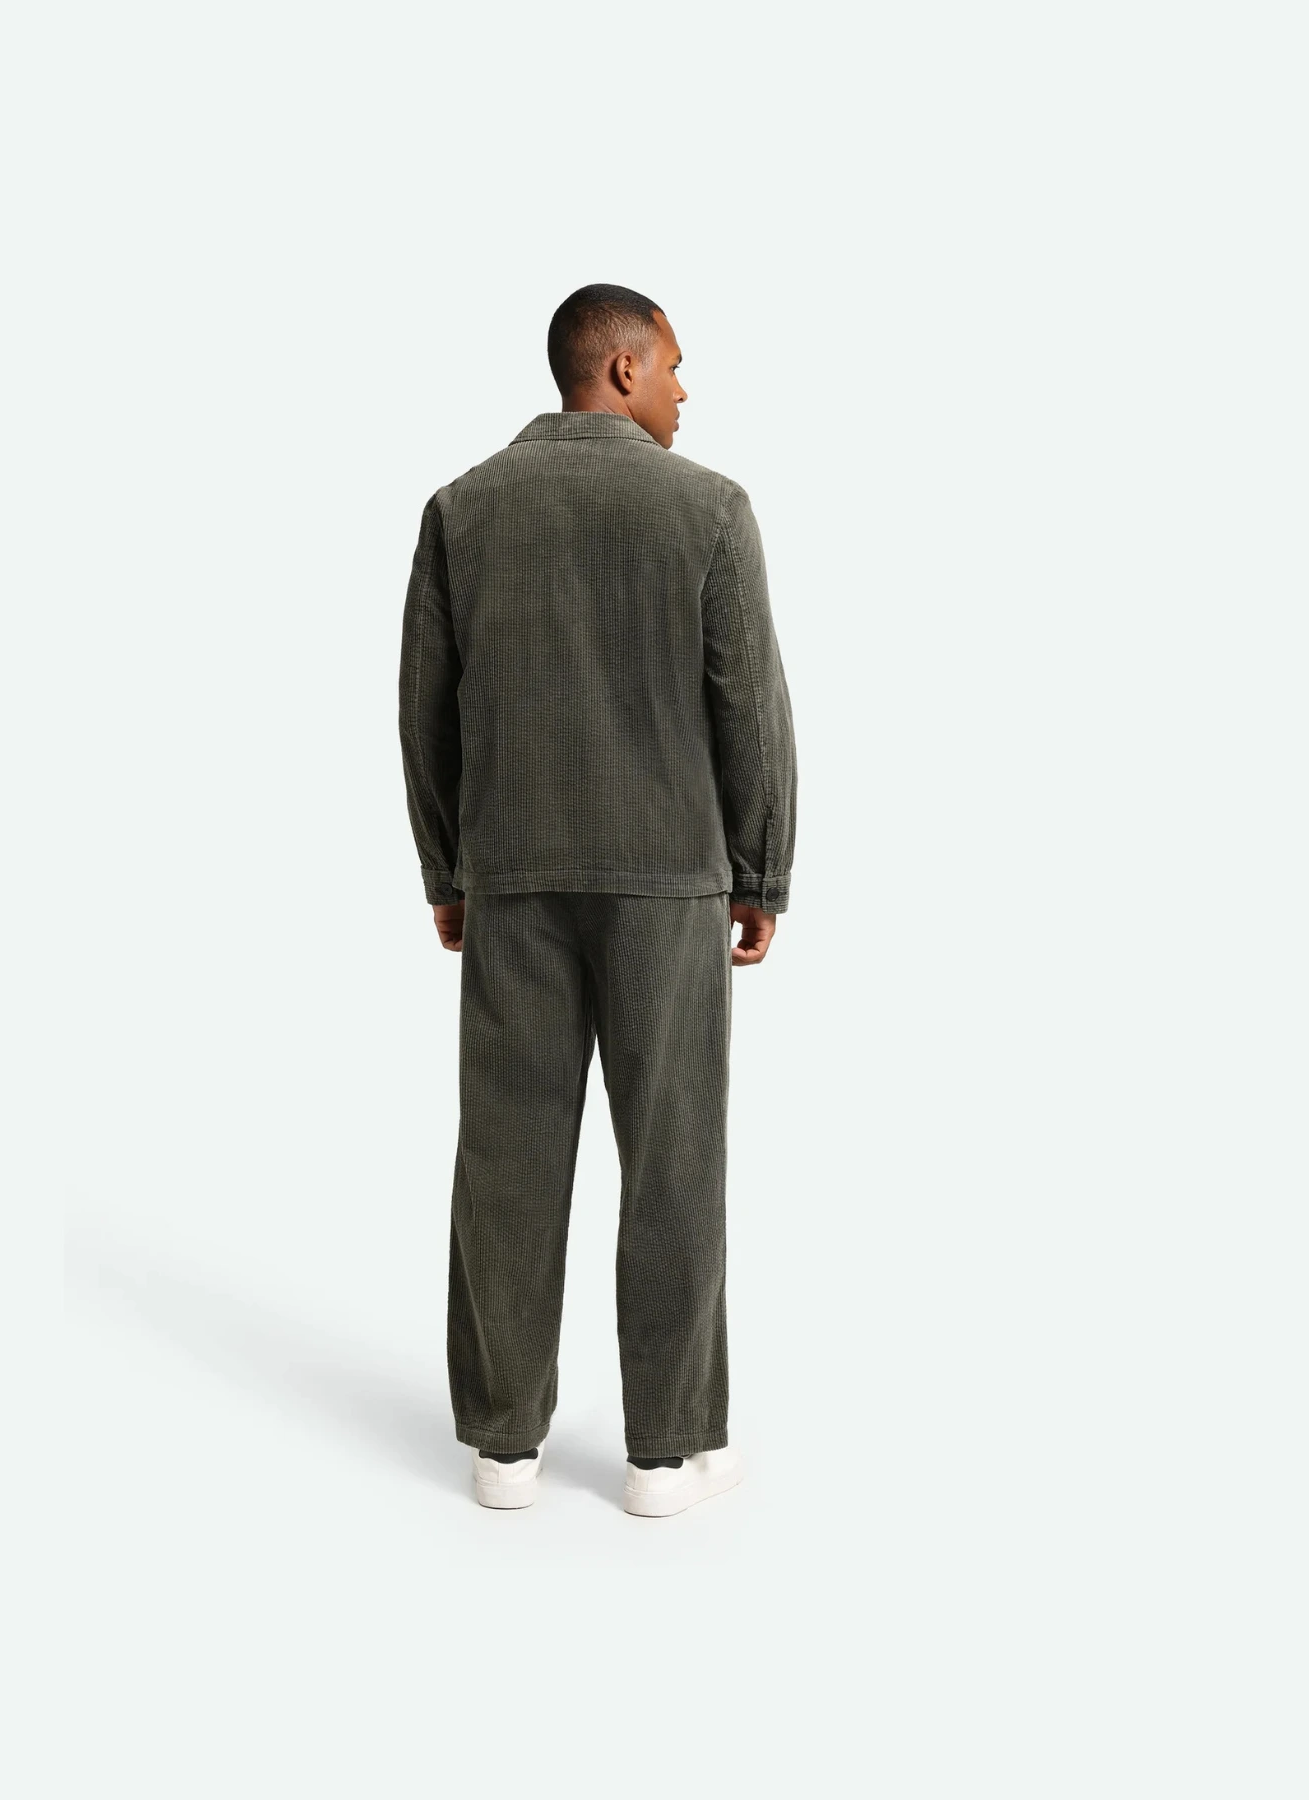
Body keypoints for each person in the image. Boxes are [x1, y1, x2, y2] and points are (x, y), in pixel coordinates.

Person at [397, 283, 797, 1517]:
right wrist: (762, 870)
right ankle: (664, 1453)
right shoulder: (708, 508)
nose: (683, 388)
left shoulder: (464, 509)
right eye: (672, 364)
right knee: (672, 1158)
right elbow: (749, 705)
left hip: (514, 873)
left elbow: (424, 707)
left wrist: (449, 869)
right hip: (668, 880)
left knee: (506, 1156)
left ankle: (504, 1446)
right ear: (620, 368)